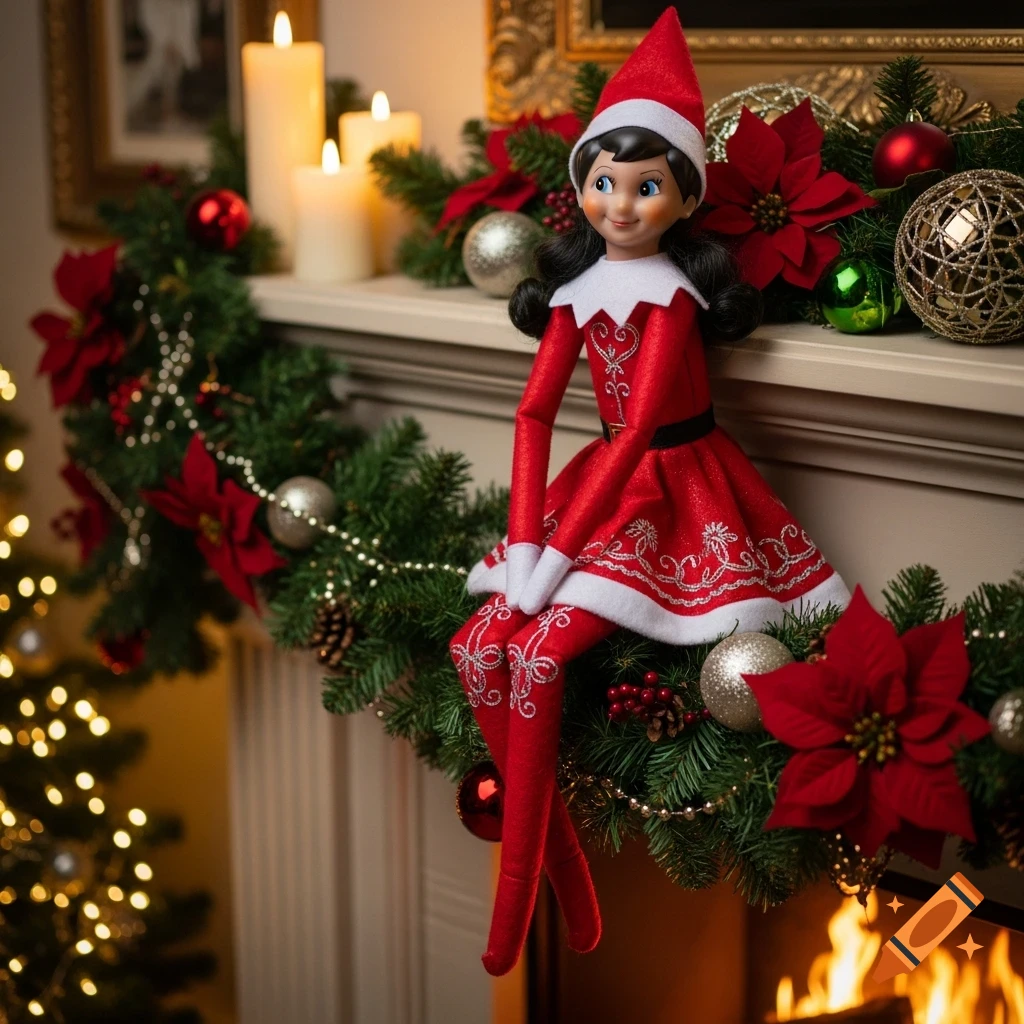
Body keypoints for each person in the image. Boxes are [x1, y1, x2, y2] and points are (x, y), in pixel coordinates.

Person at [449, 8, 850, 977]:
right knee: (476, 644)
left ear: (679, 198)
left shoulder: (672, 295)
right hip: (593, 489)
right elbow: (536, 414)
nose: (619, 205)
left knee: (540, 654)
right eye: (601, 182)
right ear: (579, 184)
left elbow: (637, 432)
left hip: (672, 487)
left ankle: (520, 903)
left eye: (644, 187)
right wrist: (529, 540)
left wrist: (561, 555)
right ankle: (555, 866)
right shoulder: (573, 294)